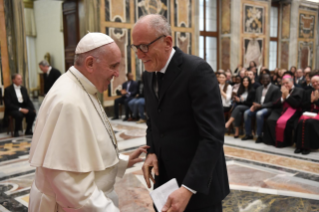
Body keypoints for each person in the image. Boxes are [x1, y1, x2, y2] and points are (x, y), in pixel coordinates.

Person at [28, 32, 148, 212]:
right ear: (90, 63)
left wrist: (119, 162)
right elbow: (71, 184)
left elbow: (85, 148)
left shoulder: (83, 88)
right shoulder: (69, 100)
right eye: (113, 66)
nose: (116, 73)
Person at [132, 14, 229, 212]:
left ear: (167, 42)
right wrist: (151, 152)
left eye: (144, 46)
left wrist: (188, 188)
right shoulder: (148, 74)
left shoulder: (197, 71)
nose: (139, 54)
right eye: (136, 48)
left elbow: (212, 136)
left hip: (199, 187)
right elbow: (154, 122)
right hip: (166, 182)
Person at [262, 72, 303, 147]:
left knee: (285, 122)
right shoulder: (279, 90)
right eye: (283, 84)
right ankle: (273, 141)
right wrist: (282, 98)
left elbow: (296, 104)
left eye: (287, 83)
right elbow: (275, 103)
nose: (285, 85)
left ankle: (284, 142)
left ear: (292, 82)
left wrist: (287, 96)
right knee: (270, 120)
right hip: (280, 110)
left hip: (293, 111)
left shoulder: (299, 90)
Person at [242, 73, 281, 143]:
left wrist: (261, 106)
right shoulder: (259, 88)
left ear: (270, 79)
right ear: (261, 80)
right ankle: (248, 134)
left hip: (269, 108)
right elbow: (256, 100)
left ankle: (259, 136)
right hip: (258, 107)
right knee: (246, 113)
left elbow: (274, 102)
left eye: (267, 78)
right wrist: (254, 105)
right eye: (263, 79)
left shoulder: (275, 88)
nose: (265, 80)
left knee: (259, 114)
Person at [294, 73, 319, 155]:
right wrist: (310, 101)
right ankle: (299, 146)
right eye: (313, 82)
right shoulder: (308, 92)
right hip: (309, 112)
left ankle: (307, 147)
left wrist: (316, 101)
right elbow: (303, 105)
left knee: (310, 122)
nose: (315, 83)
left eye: (317, 81)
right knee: (301, 121)